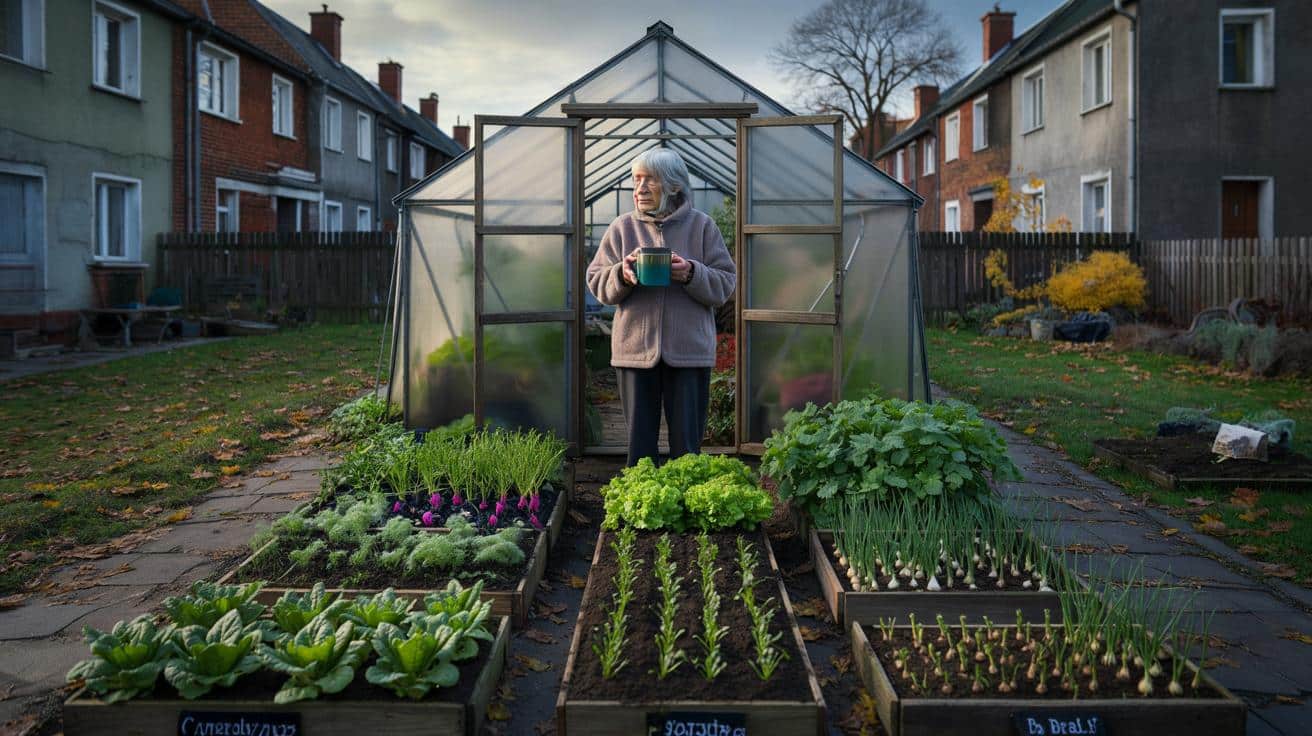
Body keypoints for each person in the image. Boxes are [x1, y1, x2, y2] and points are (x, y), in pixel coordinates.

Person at [586, 149, 736, 467]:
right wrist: (622, 275)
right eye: (636, 179)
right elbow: (597, 282)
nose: (639, 188)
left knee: (687, 448)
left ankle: (685, 509)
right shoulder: (621, 228)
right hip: (635, 354)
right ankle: (641, 510)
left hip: (689, 352)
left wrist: (692, 273)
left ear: (674, 185)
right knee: (639, 448)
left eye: (649, 179)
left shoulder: (703, 227)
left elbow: (725, 284)